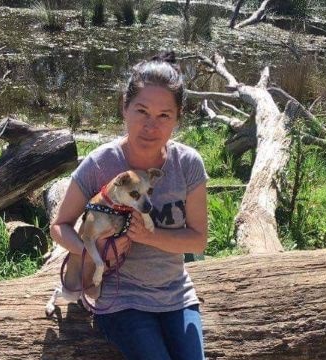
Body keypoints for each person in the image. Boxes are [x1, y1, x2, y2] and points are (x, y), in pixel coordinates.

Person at [50, 51, 208, 360]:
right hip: (119, 298)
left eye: (164, 115)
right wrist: (96, 253)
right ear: (125, 108)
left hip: (177, 294)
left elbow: (198, 239)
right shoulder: (101, 163)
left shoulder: (188, 164)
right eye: (142, 111)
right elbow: (59, 226)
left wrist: (149, 236)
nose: (151, 126)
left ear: (178, 117)